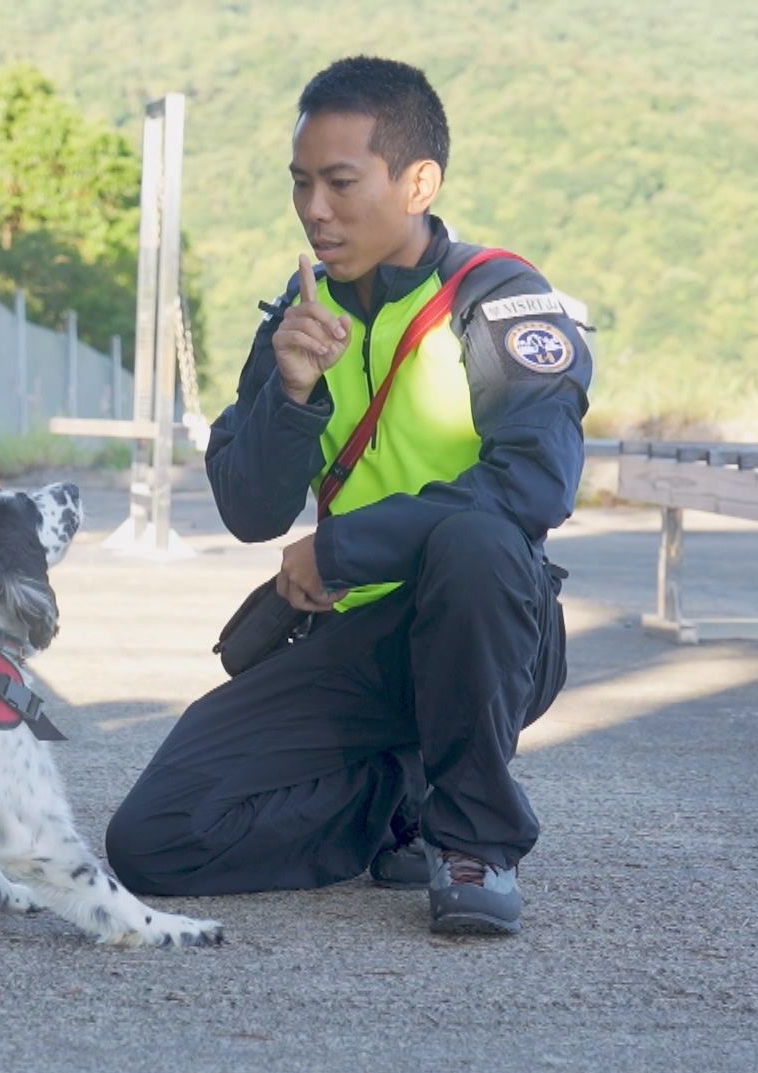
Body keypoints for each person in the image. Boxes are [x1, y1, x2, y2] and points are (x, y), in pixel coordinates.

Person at [103, 55, 592, 935]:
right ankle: (393, 796)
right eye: (301, 184)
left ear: (417, 182)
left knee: (477, 542)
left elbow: (534, 484)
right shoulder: (298, 315)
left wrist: (341, 547)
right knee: (156, 843)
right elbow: (250, 511)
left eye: (339, 182)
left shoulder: (500, 303)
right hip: (352, 640)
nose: (314, 210)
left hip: (488, 632)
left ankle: (473, 839)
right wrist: (291, 392)